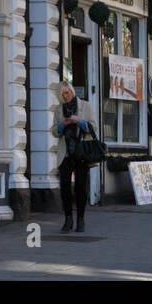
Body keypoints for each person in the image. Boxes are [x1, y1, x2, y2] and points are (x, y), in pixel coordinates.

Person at [51, 81, 97, 233]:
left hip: (81, 151)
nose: (66, 95)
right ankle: (68, 219)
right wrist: (61, 125)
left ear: (72, 91)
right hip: (65, 153)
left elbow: (93, 128)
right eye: (63, 94)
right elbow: (54, 132)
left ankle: (81, 220)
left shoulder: (85, 106)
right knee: (64, 186)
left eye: (68, 92)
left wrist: (79, 121)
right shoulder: (58, 110)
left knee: (81, 187)